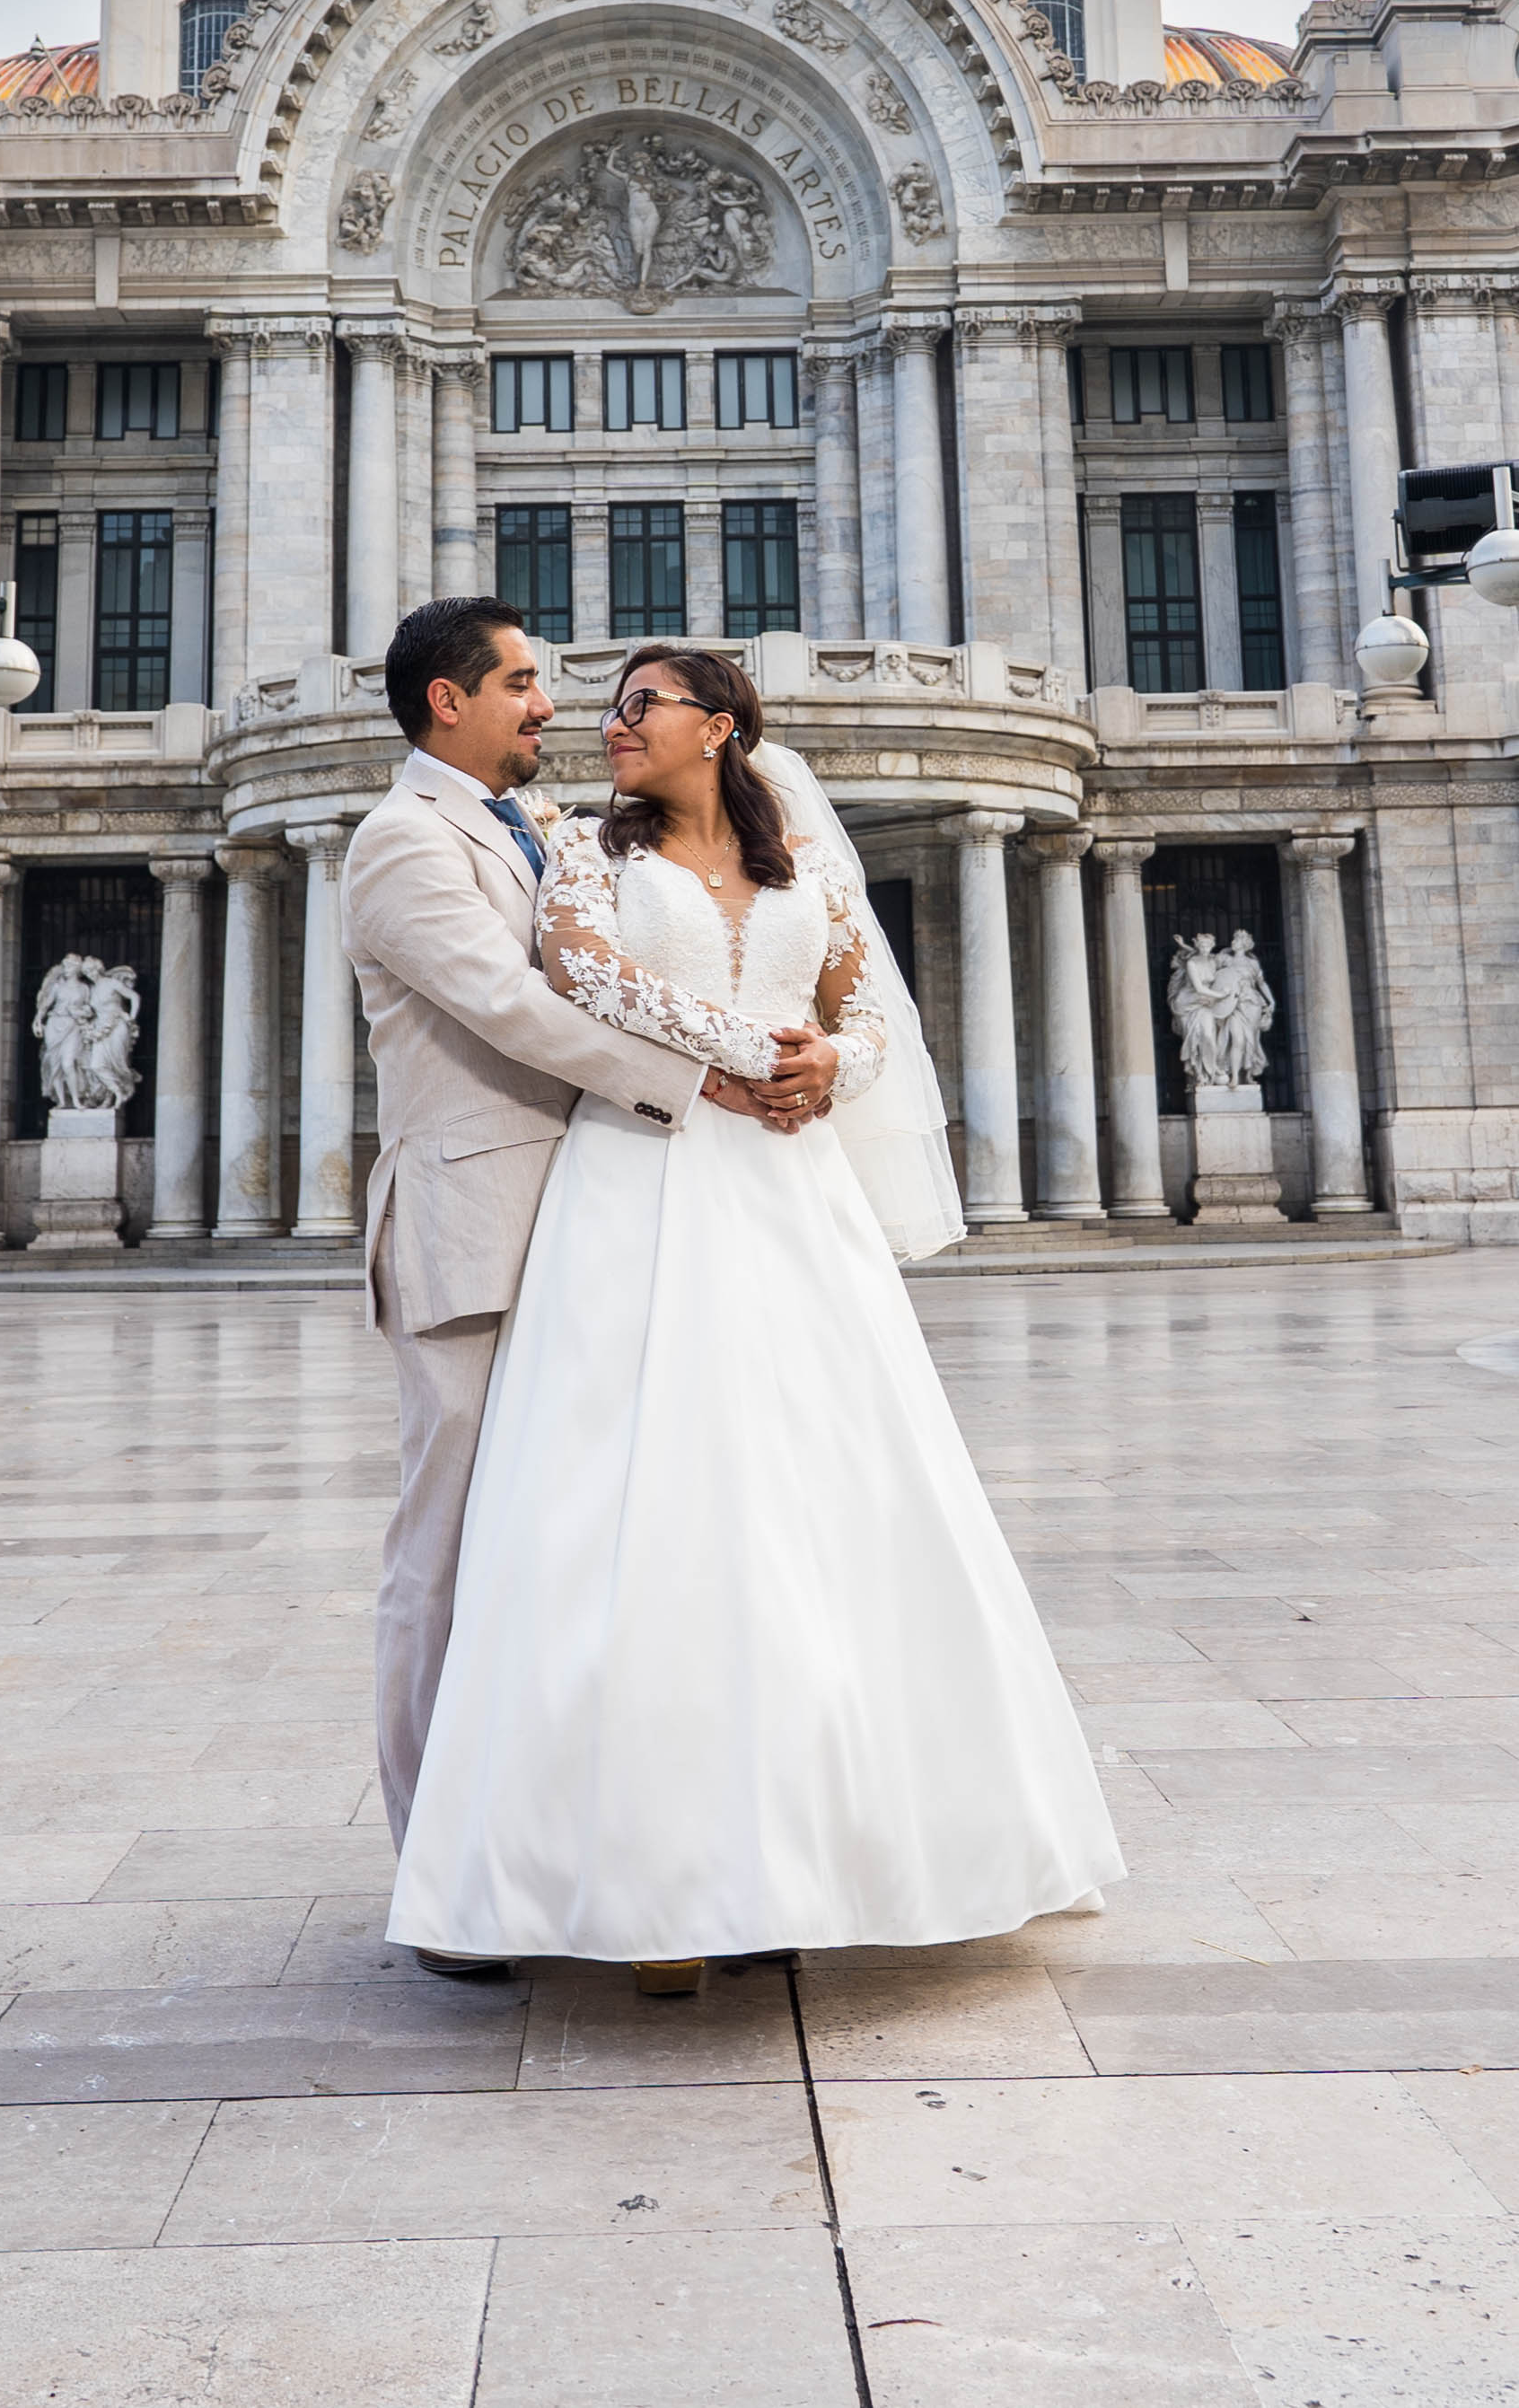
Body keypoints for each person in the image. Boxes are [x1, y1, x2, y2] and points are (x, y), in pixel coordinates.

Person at [385, 642, 1122, 1986]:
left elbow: (868, 1012)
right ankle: (640, 1874)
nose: (606, 723)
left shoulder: (806, 868)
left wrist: (831, 1063)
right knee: (641, 1505)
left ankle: (808, 1853)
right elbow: (581, 980)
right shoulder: (580, 850)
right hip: (643, 1180)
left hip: (792, 1195)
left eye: (639, 705)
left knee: (819, 1502)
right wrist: (741, 1057)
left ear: (719, 728)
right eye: (603, 705)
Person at [340, 598, 839, 1975]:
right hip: (477, 1228)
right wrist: (705, 1075)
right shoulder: (400, 841)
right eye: (522, 684)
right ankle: (442, 1876)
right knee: (449, 1558)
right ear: (449, 702)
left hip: (599, 1224)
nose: (550, 708)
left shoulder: (543, 829)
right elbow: (512, 1008)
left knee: (589, 1554)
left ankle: (606, 1844)